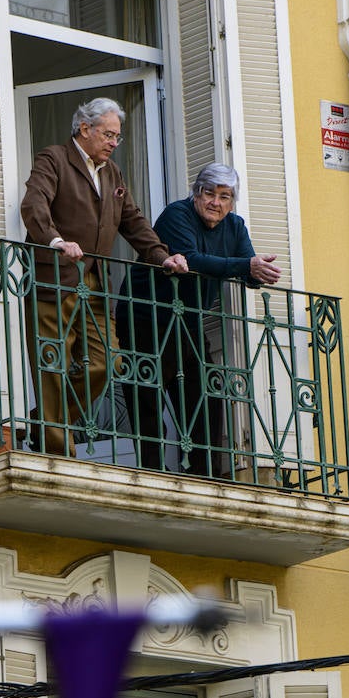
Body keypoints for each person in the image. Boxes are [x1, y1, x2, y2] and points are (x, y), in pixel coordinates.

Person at [20, 97, 189, 457]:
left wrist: (161, 256)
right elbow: (34, 204)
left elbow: (133, 220)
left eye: (118, 137)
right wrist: (56, 241)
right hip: (55, 276)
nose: (114, 143)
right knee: (53, 365)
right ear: (85, 129)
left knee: (107, 360)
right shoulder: (54, 159)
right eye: (109, 135)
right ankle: (57, 450)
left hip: (94, 280)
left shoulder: (111, 173)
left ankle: (46, 419)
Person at [119, 163, 281, 476]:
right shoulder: (176, 214)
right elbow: (191, 259)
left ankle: (205, 473)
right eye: (209, 193)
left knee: (204, 393)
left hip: (187, 320)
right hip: (146, 314)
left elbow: (248, 272)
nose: (215, 203)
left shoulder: (235, 226)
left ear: (232, 202)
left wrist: (258, 270)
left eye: (224, 196)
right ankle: (151, 471)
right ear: (197, 194)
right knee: (147, 392)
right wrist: (246, 265)